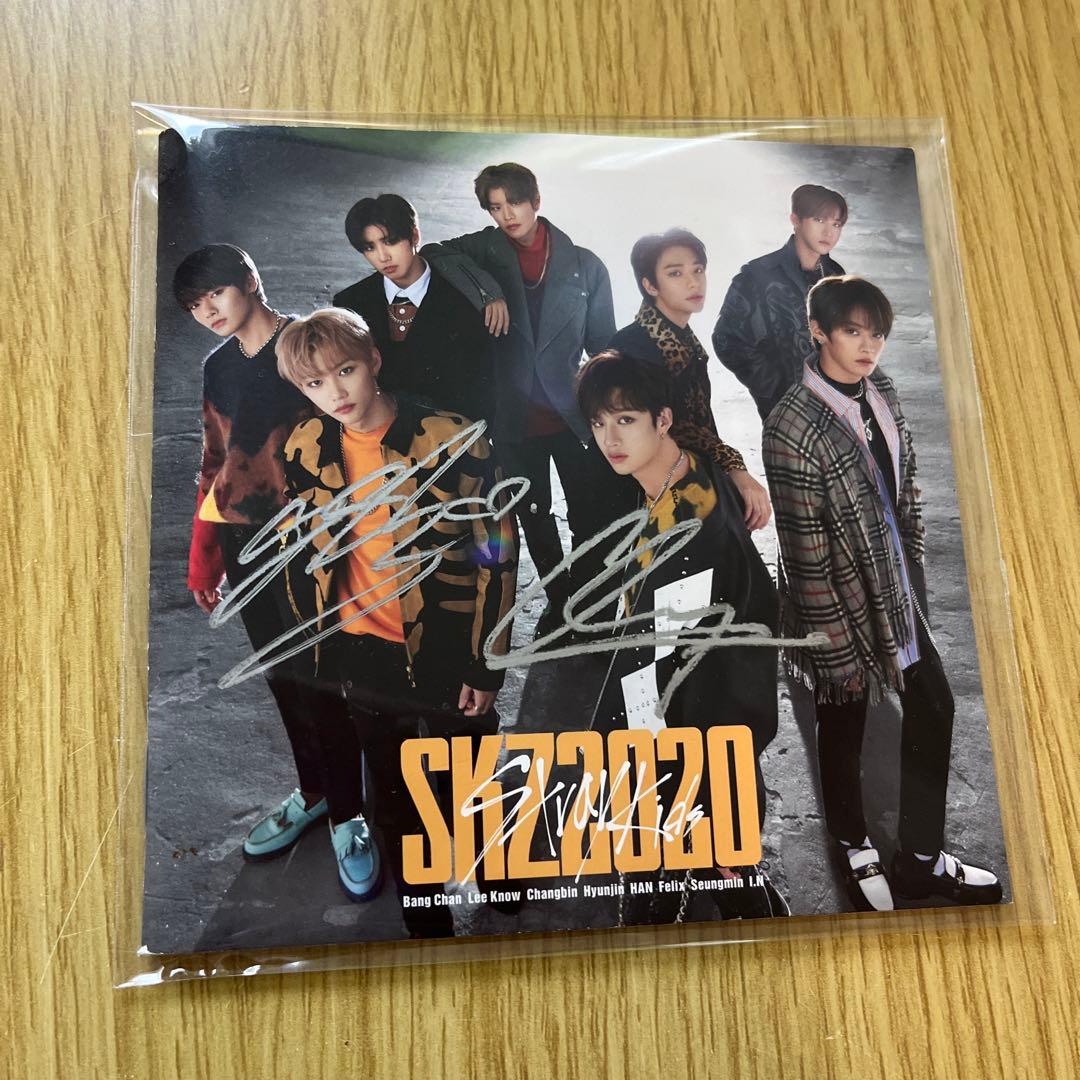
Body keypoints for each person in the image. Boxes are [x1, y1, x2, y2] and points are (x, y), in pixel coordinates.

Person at [274, 308, 518, 937]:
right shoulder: (304, 445)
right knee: (395, 790)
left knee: (470, 770)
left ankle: (496, 868)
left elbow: (496, 553)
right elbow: (304, 549)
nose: (335, 393)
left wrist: (485, 663)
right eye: (315, 383)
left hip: (447, 642)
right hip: (363, 652)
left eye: (345, 371)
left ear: (374, 360)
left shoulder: (452, 437)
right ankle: (424, 906)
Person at [762, 275, 1002, 912]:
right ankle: (852, 844)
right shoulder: (790, 425)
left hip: (897, 591)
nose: (868, 346)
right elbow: (804, 554)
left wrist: (913, 562)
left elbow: (907, 484)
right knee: (843, 718)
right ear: (818, 331)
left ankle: (920, 861)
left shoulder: (882, 390)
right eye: (852, 332)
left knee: (935, 706)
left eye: (877, 334)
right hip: (836, 602)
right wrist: (839, 652)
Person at [576, 349, 785, 924]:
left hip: (693, 722)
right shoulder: (692, 470)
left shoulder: (688, 532)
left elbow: (654, 671)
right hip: (706, 704)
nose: (610, 439)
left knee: (669, 873)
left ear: (662, 420)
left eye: (625, 420)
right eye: (599, 422)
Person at [421, 162, 635, 634]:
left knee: (589, 514)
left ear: (536, 201)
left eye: (515, 203)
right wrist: (488, 291)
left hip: (573, 415)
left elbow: (603, 348)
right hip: (514, 417)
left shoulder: (585, 264)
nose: (507, 215)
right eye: (496, 207)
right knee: (534, 517)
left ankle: (588, 605)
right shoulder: (485, 249)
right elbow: (433, 252)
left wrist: (615, 414)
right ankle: (559, 602)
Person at [172, 243, 331, 863]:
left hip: (319, 537)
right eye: (195, 305)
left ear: (250, 281)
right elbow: (214, 462)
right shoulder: (217, 366)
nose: (208, 310)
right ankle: (316, 790)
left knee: (336, 667)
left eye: (216, 293)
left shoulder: (306, 345)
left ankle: (355, 804)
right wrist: (204, 556)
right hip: (250, 544)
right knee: (284, 672)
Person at [608, 228, 771, 531]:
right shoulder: (633, 349)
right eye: (675, 273)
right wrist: (733, 466)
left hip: (686, 481)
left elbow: (700, 424)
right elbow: (670, 430)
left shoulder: (685, 340)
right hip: (646, 501)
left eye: (698, 270)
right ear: (650, 285)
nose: (694, 282)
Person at [332, 193, 496, 425]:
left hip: (451, 435)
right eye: (369, 247)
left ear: (415, 236)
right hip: (377, 435)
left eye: (390, 241)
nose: (382, 256)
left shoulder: (464, 298)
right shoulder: (349, 303)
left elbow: (482, 388)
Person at [713, 184, 847, 422]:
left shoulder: (836, 275)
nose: (829, 232)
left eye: (836, 224)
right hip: (786, 412)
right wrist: (775, 390)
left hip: (835, 405)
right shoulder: (757, 275)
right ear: (795, 220)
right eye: (819, 220)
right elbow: (726, 340)